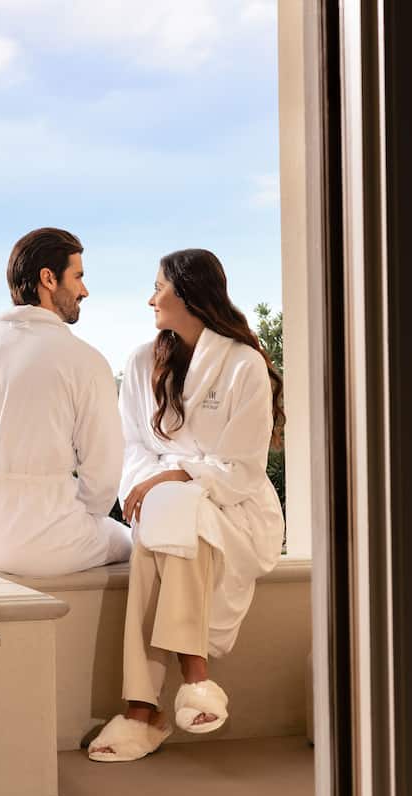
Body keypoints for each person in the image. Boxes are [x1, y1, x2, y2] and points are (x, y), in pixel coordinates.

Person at [88, 248, 284, 762]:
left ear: (191, 292)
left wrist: (178, 473)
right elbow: (133, 446)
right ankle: (194, 680)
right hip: (164, 504)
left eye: (159, 287)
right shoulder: (139, 362)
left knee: (170, 519)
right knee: (170, 516)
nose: (150, 298)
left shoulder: (244, 366)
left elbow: (242, 467)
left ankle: (140, 709)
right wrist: (162, 483)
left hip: (232, 506)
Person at [0, 227, 132, 577]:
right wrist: (72, 510)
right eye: (78, 276)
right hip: (47, 543)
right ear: (48, 278)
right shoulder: (84, 360)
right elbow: (102, 475)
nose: (84, 290)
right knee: (136, 544)